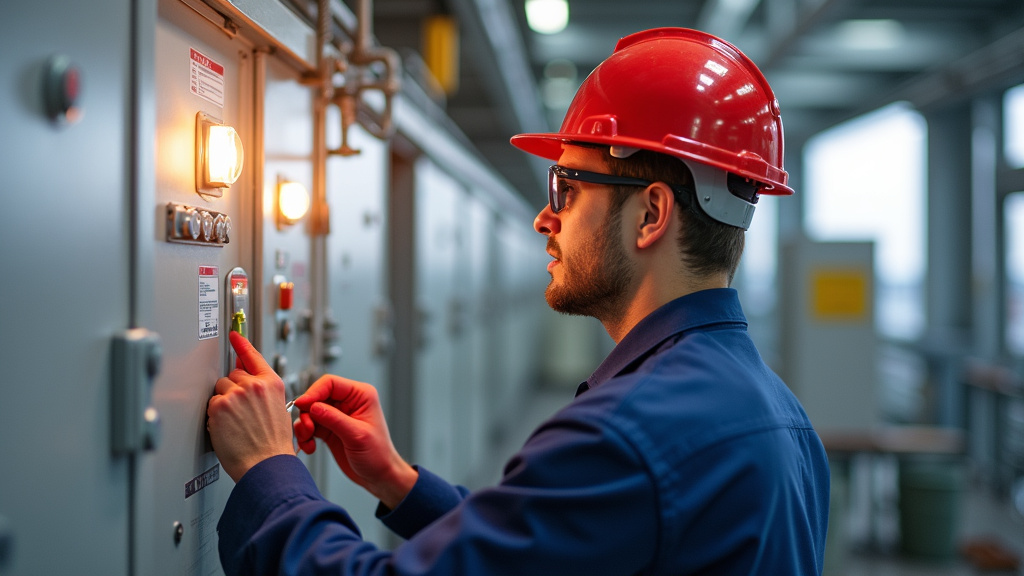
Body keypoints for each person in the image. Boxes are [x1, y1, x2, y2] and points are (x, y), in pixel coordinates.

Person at [207, 27, 830, 576]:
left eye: (567, 187)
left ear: (651, 214)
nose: (543, 218)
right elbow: (562, 551)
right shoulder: (787, 421)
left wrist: (269, 469)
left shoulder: (628, 435)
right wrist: (397, 481)